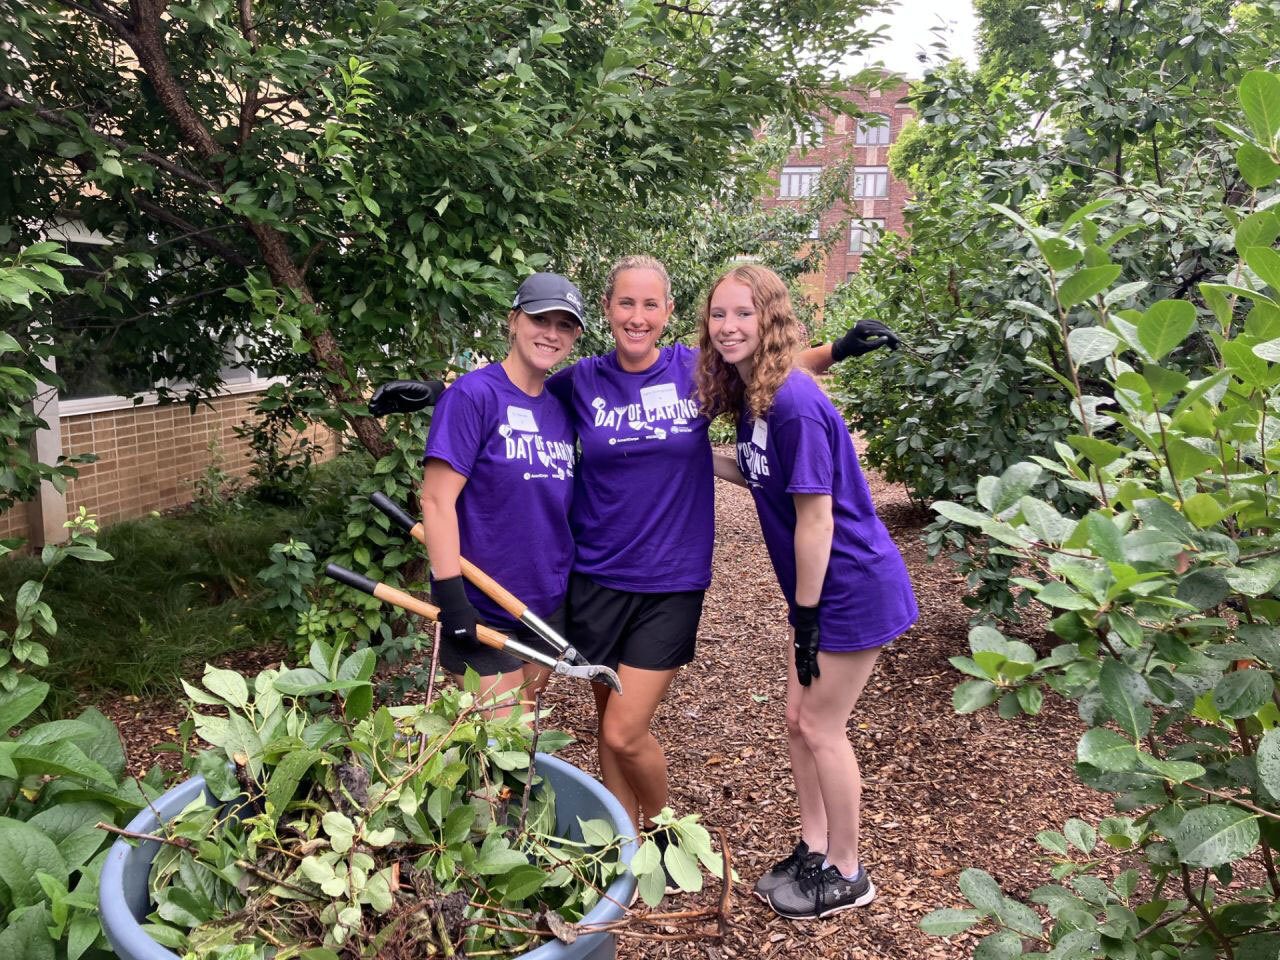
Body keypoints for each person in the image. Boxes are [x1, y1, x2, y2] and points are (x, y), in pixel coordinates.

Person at [546, 255, 899, 855]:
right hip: (597, 573)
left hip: (672, 575)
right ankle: (623, 846)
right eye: (625, 303)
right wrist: (440, 396)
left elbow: (772, 372)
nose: (637, 316)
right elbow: (514, 395)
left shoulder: (692, 370)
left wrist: (836, 351)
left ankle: (669, 836)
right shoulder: (580, 381)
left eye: (650, 304)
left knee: (626, 730)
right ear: (607, 309)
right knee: (606, 720)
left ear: (669, 312)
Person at [696, 264, 917, 920]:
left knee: (822, 727)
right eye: (720, 315)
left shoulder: (792, 401)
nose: (730, 326)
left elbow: (817, 518)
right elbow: (757, 470)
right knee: (797, 723)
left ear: (769, 319)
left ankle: (849, 872)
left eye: (744, 314)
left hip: (850, 586)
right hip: (818, 594)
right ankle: (815, 848)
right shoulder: (755, 393)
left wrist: (811, 616)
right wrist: (693, 455)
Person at [420, 272, 585, 712]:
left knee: (525, 723)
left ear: (575, 336)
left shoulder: (561, 409)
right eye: (539, 319)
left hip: (544, 604)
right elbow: (436, 502)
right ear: (514, 320)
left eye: (564, 324)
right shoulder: (473, 397)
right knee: (501, 742)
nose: (551, 333)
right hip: (481, 605)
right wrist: (451, 597)